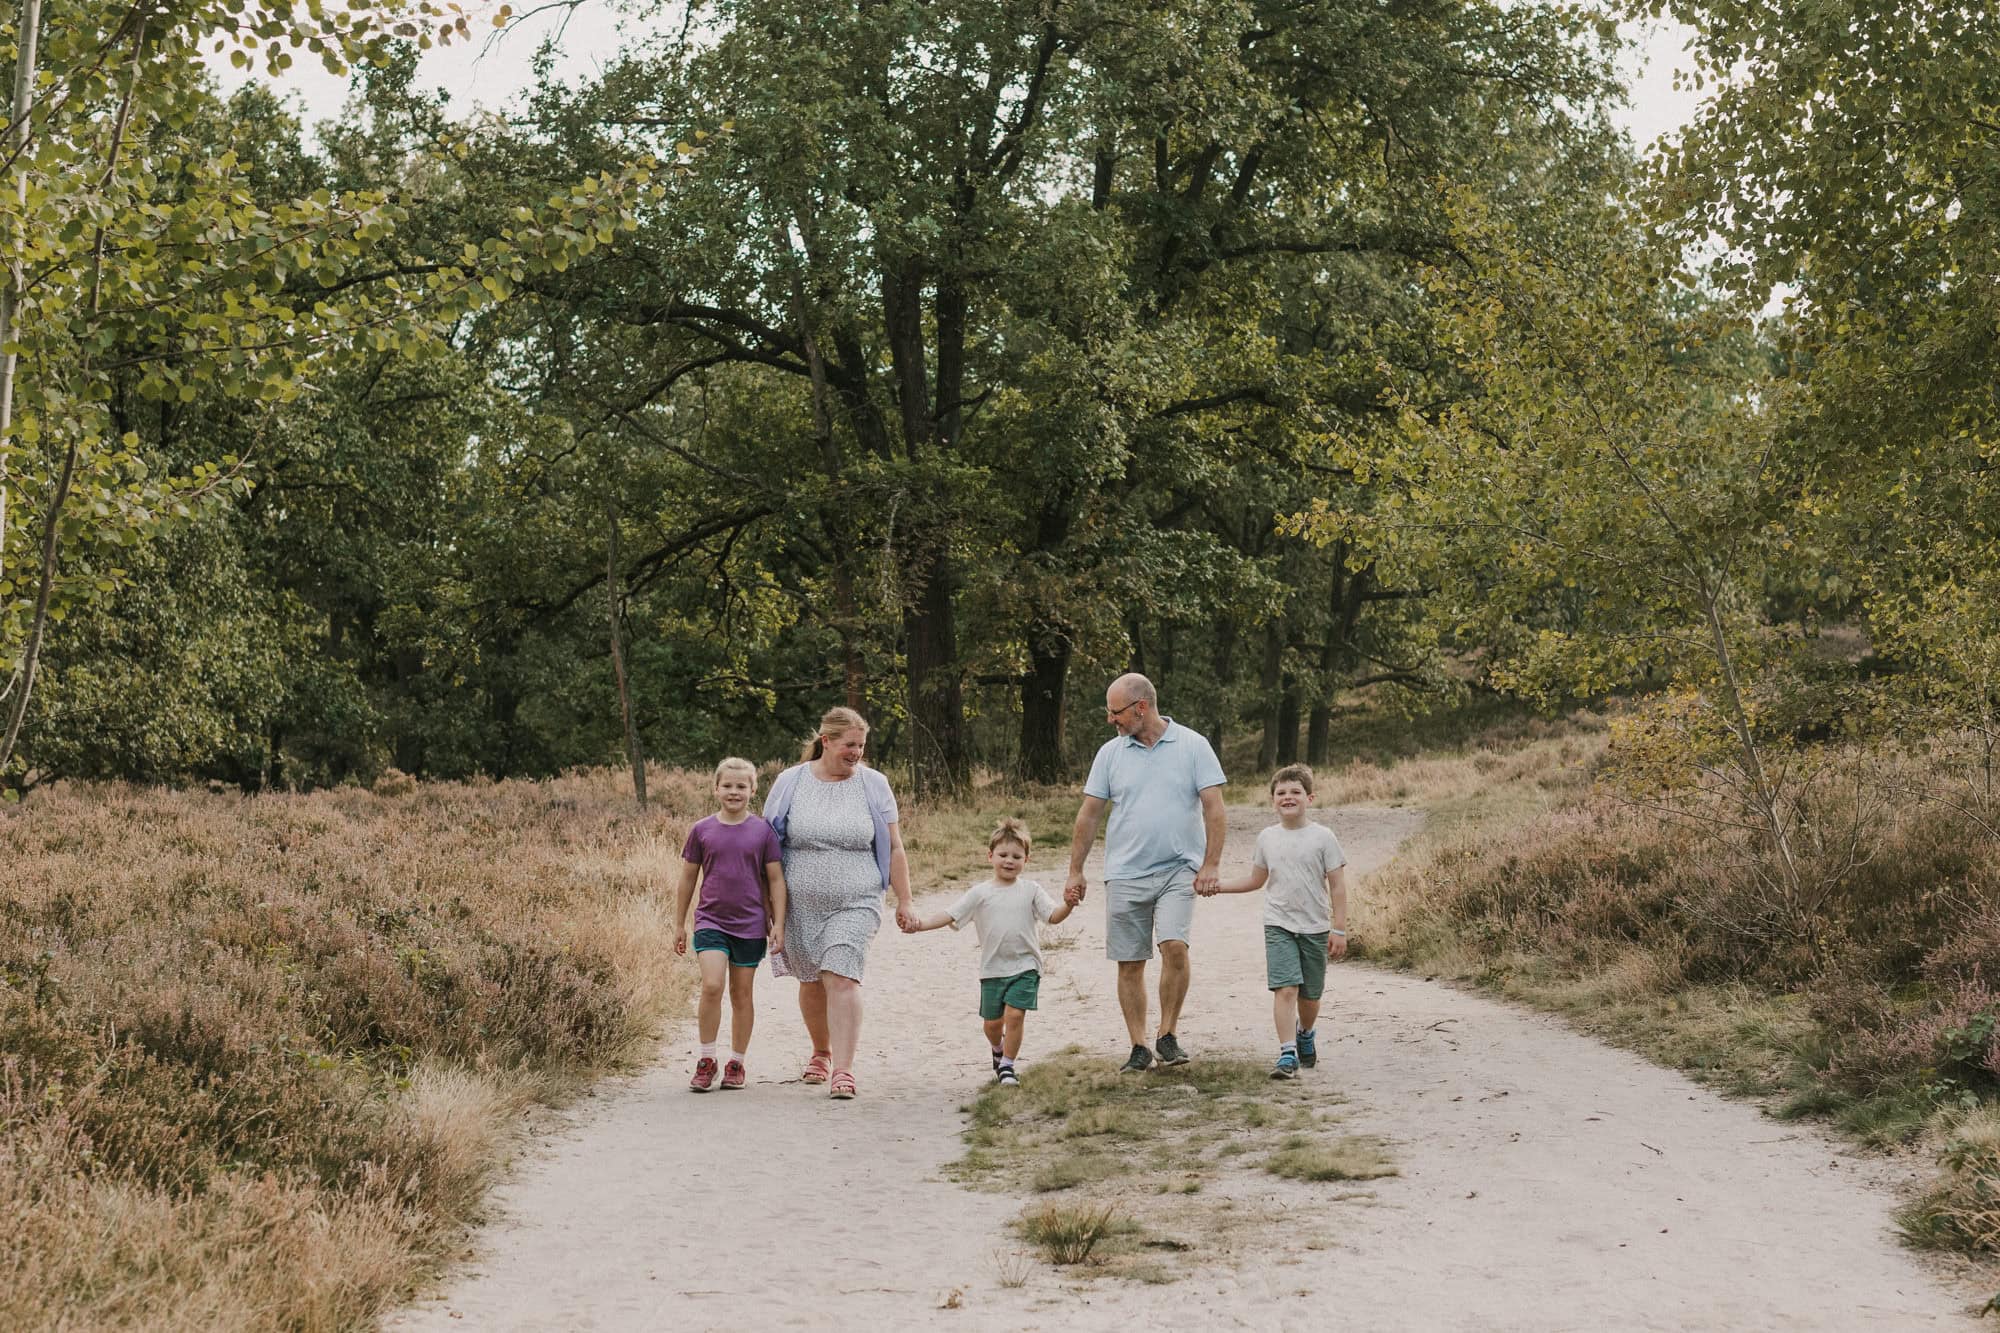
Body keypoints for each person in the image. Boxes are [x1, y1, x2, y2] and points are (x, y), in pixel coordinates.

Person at [1064, 672, 1226, 1073]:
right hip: (1124, 872)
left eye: (1115, 712)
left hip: (1178, 868)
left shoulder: (1193, 746)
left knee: (1175, 946)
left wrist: (1211, 863)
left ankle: (1167, 1034)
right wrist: (1075, 870)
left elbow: (1214, 808)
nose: (1110, 720)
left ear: (1141, 707)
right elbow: (1089, 814)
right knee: (1130, 960)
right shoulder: (1110, 754)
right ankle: (1138, 1045)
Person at [763, 706, 916, 1100]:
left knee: (842, 975)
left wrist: (905, 900)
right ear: (826, 741)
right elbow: (766, 845)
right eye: (850, 745)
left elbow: (894, 847)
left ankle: (844, 1070)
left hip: (857, 899)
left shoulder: (874, 784)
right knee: (811, 978)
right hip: (798, 904)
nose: (857, 753)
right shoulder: (790, 781)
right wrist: (766, 906)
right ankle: (821, 1052)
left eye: (861, 745)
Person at [1199, 763, 1348, 1079]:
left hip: (1315, 926)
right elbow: (1256, 880)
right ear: (1272, 800)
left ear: (1310, 798)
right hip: (1279, 924)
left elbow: (1337, 885)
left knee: (1310, 996)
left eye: (1296, 792)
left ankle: (1305, 1033)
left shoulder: (1323, 837)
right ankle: (1287, 1053)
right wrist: (1217, 886)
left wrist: (1339, 928)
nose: (1288, 797)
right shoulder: (1267, 837)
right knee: (1286, 988)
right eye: (1281, 793)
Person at [902, 818, 1073, 1087]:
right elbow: (949, 914)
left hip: (1026, 967)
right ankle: (998, 1048)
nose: (1009, 861)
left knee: (1015, 1015)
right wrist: (919, 925)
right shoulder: (980, 893)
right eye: (1003, 855)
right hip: (993, 969)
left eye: (1016, 856)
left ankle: (1007, 1066)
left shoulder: (1031, 890)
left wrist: (1069, 904)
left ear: (1026, 860)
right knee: (992, 1025)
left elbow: (1053, 916)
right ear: (990, 856)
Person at [674, 757, 788, 1092]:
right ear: (716, 789)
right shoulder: (702, 830)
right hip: (711, 920)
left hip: (751, 924)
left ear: (753, 790)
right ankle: (706, 1059)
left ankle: (736, 1062)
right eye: (727, 785)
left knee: (741, 994)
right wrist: (679, 924)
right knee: (712, 986)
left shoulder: (763, 832)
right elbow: (687, 879)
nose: (734, 792)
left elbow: (776, 880)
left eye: (741, 786)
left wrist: (778, 923)